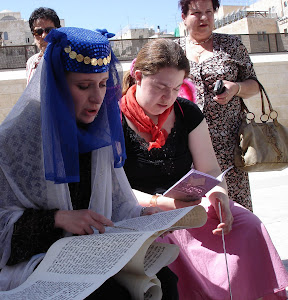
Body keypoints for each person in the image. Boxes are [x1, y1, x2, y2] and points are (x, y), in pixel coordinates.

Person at [0, 27, 176, 297]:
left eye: (103, 84)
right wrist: (59, 219)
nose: (97, 98)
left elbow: (117, 205)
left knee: (166, 279)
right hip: (38, 260)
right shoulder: (17, 140)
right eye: (83, 86)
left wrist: (142, 218)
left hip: (96, 252)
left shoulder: (97, 130)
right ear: (57, 84)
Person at [121, 38, 288, 299]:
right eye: (161, 87)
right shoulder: (114, 118)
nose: (168, 97)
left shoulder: (186, 112)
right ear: (139, 77)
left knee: (248, 225)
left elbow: (210, 169)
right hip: (141, 210)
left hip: (189, 205)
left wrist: (219, 196)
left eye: (176, 88)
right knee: (169, 243)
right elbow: (115, 188)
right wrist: (163, 203)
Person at [175, 0, 260, 211]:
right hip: (186, 146)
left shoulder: (232, 46)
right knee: (196, 211)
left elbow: (255, 85)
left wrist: (236, 89)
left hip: (228, 146)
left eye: (209, 12)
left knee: (236, 209)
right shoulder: (173, 51)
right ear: (184, 18)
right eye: (196, 13)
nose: (204, 18)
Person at [25, 7, 61, 84]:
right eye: (38, 32)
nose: (44, 36)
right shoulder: (31, 62)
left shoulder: (69, 59)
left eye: (49, 31)